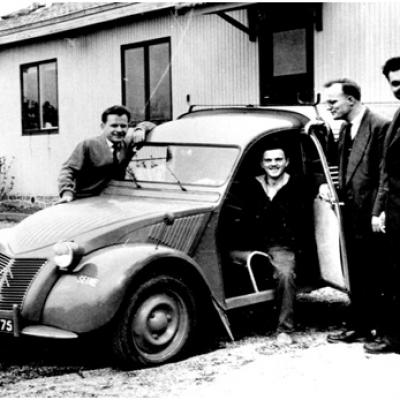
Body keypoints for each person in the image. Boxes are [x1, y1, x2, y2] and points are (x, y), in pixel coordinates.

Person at [319, 79, 390, 344]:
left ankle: (383, 332)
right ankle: (360, 326)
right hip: (350, 213)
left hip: (371, 215)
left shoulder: (380, 126)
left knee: (378, 274)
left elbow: (386, 174)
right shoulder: (346, 128)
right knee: (357, 273)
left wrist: (378, 212)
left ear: (351, 100)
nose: (329, 107)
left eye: (333, 101)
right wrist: (326, 184)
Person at [241, 142, 313, 342]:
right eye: (269, 160)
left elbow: (318, 180)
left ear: (287, 162)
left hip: (281, 244)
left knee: (285, 274)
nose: (274, 164)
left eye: (278, 159)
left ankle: (285, 329)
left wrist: (324, 185)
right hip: (251, 242)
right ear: (262, 164)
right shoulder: (251, 184)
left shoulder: (297, 184)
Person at [363, 57, 400, 354]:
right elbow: (388, 169)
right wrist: (381, 209)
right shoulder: (397, 116)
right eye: (396, 83)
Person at [58, 105, 155, 203]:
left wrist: (140, 129)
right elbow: (68, 169)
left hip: (116, 200)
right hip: (86, 201)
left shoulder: (127, 143)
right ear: (103, 126)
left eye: (123, 126)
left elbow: (150, 125)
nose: (119, 130)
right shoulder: (88, 145)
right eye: (114, 125)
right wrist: (67, 193)